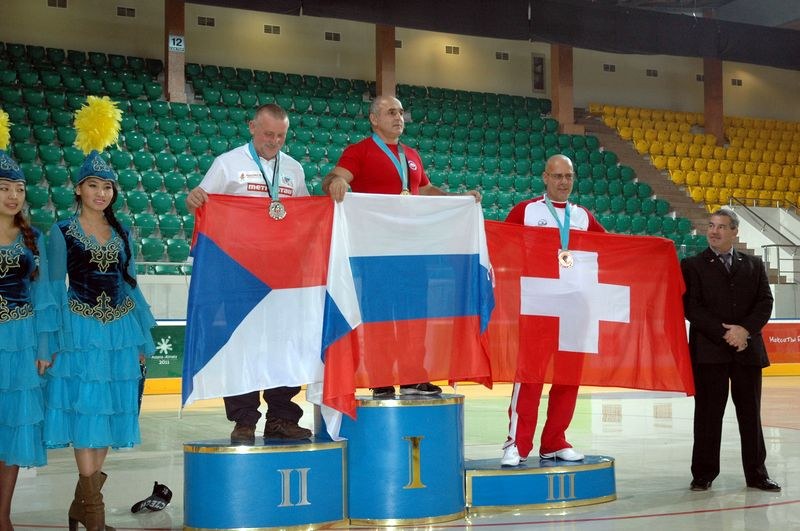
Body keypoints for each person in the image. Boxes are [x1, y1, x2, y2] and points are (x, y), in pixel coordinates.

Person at [43, 96, 156, 530]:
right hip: (79, 328)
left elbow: (130, 283)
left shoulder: (121, 231)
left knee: (108, 416)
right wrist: (48, 340)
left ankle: (82, 505)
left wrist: (143, 339)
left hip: (121, 330)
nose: (101, 192)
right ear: (78, 188)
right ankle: (93, 514)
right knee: (87, 414)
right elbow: (51, 289)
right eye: (93, 185)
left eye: (107, 186)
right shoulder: (62, 232)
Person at [322, 94, 480, 399]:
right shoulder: (360, 151)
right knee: (380, 316)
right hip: (377, 253)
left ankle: (413, 378)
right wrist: (336, 184)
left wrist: (458, 200)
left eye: (401, 112)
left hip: (412, 251)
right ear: (374, 119)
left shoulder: (411, 154)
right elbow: (333, 178)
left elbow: (426, 189)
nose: (398, 117)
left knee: (414, 317)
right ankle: (381, 378)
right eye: (391, 112)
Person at [185, 103, 312, 445]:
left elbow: (303, 216)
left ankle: (282, 418)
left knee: (283, 347)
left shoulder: (294, 169)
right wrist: (194, 197)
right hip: (237, 275)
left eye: (281, 136)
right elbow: (200, 202)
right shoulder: (227, 164)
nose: (274, 141)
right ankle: (243, 421)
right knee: (239, 346)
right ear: (252, 127)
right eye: (268, 134)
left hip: (280, 278)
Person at [500, 154, 605, 466]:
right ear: (545, 177)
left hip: (575, 309)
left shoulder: (583, 216)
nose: (563, 182)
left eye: (568, 176)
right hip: (538, 307)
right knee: (529, 378)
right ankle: (516, 443)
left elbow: (610, 249)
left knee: (568, 378)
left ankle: (555, 441)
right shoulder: (526, 211)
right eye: (557, 176)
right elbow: (503, 245)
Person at [681, 208, 780, 492]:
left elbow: (764, 302)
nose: (714, 231)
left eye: (721, 227)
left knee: (751, 415)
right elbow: (692, 307)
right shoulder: (692, 265)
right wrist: (726, 332)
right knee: (708, 415)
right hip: (709, 352)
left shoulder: (754, 264)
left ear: (735, 231)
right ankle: (703, 473)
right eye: (711, 226)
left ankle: (757, 474)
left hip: (747, 350)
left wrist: (744, 331)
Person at [0, 119, 57, 531]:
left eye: (18, 189)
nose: (13, 196)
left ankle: (2, 515)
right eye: (4, 188)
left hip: (19, 342)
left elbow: (44, 299)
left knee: (14, 430)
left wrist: (42, 348)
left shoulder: (33, 238)